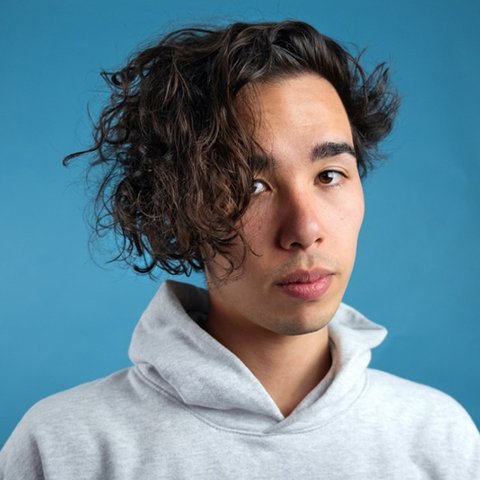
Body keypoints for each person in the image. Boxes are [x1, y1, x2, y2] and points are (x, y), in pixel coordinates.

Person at [1, 19, 478, 479]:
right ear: (178, 208)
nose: (305, 229)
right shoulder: (64, 448)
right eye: (251, 186)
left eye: (330, 175)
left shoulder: (440, 439)